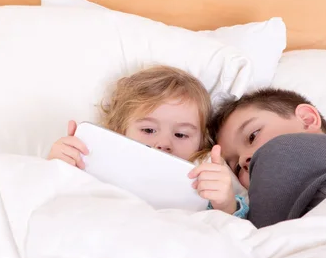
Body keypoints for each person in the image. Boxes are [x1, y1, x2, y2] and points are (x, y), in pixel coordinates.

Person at [47, 65, 248, 217]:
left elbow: (234, 228)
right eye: (148, 130)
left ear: (201, 141)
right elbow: (54, 200)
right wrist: (59, 166)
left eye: (181, 134)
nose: (163, 143)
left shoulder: (204, 168)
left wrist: (225, 203)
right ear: (120, 130)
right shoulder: (100, 154)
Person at [199, 87, 326, 228]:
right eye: (235, 167)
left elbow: (259, 239)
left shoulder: (283, 150)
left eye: (253, 135)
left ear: (307, 119)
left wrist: (227, 213)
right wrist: (227, 206)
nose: (244, 160)